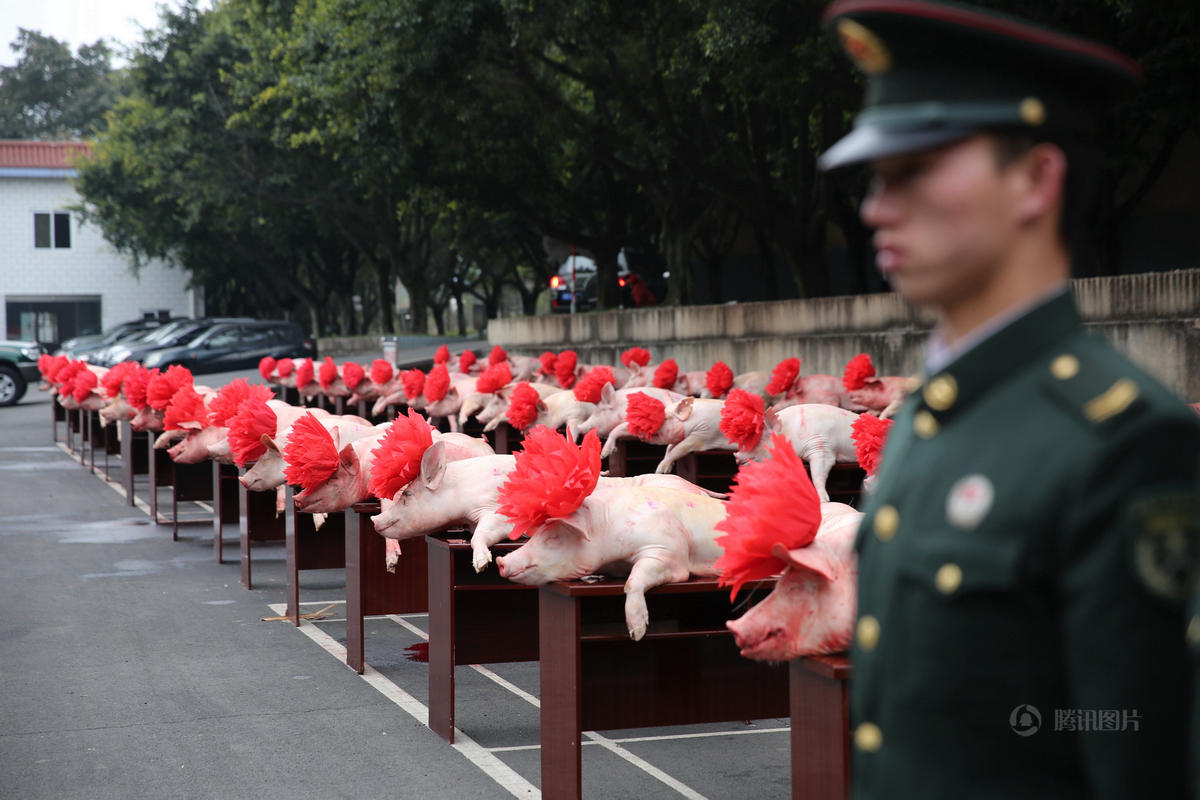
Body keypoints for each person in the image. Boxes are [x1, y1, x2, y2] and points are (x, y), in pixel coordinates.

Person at [817, 1, 1200, 796]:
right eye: (877, 178)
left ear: (1035, 178)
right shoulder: (932, 418)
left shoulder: (1123, 442)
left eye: (913, 170)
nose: (876, 207)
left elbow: (1143, 757)